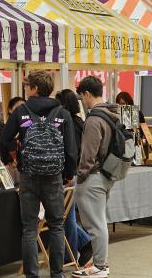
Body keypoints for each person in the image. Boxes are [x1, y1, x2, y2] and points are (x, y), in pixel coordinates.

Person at [0, 72, 78, 278]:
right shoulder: (62, 113)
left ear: (34, 88)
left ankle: (31, 275)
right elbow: (71, 150)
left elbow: (4, 138)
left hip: (29, 175)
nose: (25, 90)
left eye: (27, 87)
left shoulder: (21, 111)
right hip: (54, 176)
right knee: (57, 226)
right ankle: (57, 274)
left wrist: (10, 159)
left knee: (29, 229)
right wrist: (69, 173)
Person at [72, 76, 118, 278]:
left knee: (94, 224)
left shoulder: (93, 119)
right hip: (107, 174)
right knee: (99, 221)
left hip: (93, 176)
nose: (82, 101)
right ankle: (100, 264)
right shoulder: (111, 114)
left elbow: (88, 154)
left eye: (82, 97)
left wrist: (80, 176)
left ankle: (100, 265)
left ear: (87, 94)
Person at [55, 89, 93, 266]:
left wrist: (69, 172)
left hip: (69, 173)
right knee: (66, 215)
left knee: (66, 216)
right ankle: (84, 243)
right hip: (76, 172)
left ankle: (70, 255)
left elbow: (71, 151)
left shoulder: (68, 121)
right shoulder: (79, 121)